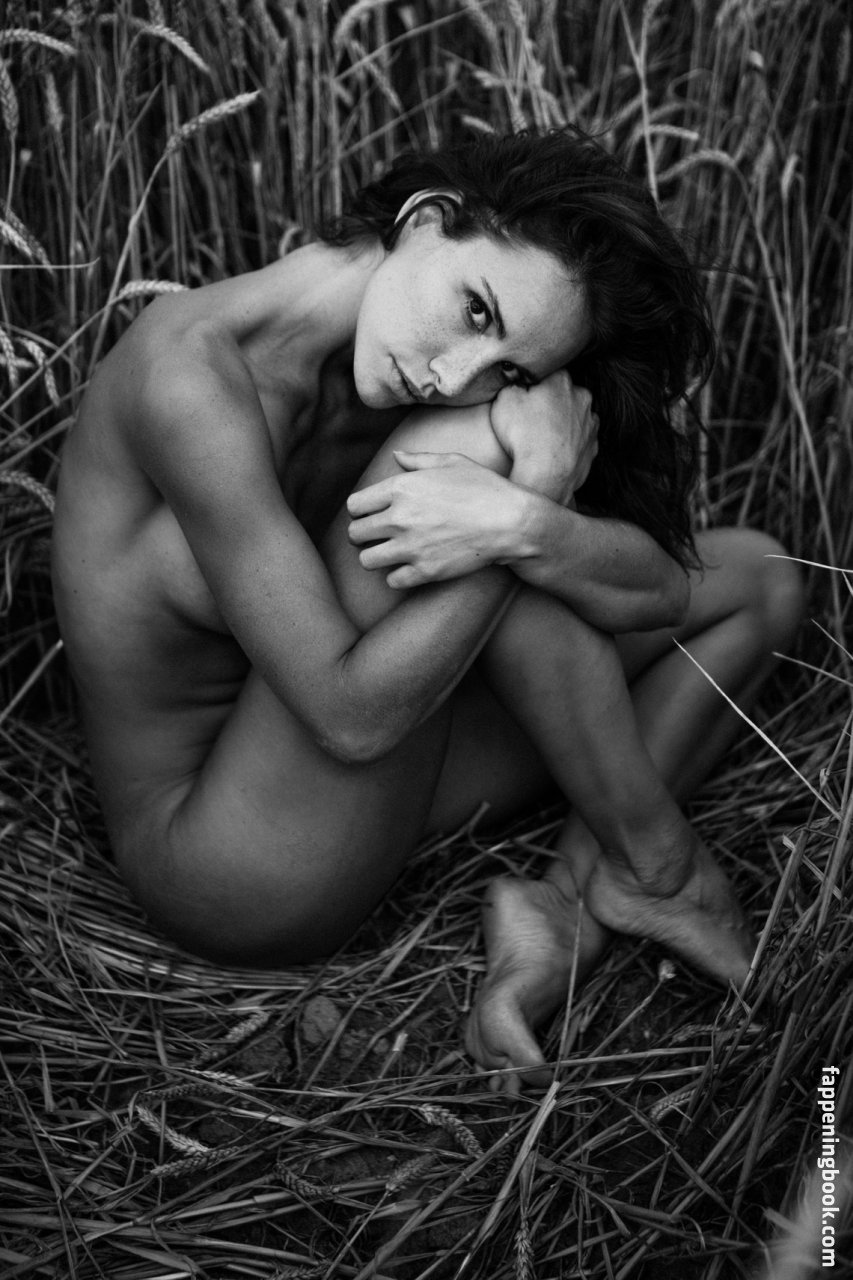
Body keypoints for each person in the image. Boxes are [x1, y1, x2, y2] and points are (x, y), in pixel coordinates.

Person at [51, 128, 803, 1092]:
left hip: (380, 748)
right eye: (475, 308)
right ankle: (661, 867)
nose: (455, 373)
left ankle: (567, 906)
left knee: (760, 579)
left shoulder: (410, 368)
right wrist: (528, 488)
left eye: (511, 370)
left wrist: (525, 521)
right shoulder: (191, 378)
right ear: (422, 220)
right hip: (234, 858)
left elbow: (657, 594)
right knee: (479, 478)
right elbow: (350, 720)